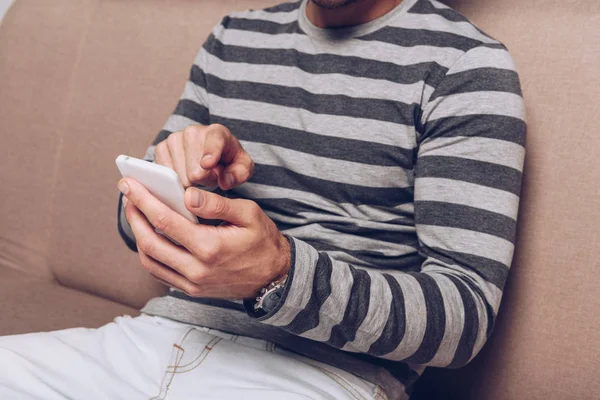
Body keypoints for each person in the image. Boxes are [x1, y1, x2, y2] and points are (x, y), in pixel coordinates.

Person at [0, 0, 526, 398]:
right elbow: (128, 218)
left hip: (322, 376)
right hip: (152, 340)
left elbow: (464, 320)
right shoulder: (234, 37)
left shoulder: (465, 66)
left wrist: (280, 275)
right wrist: (179, 180)